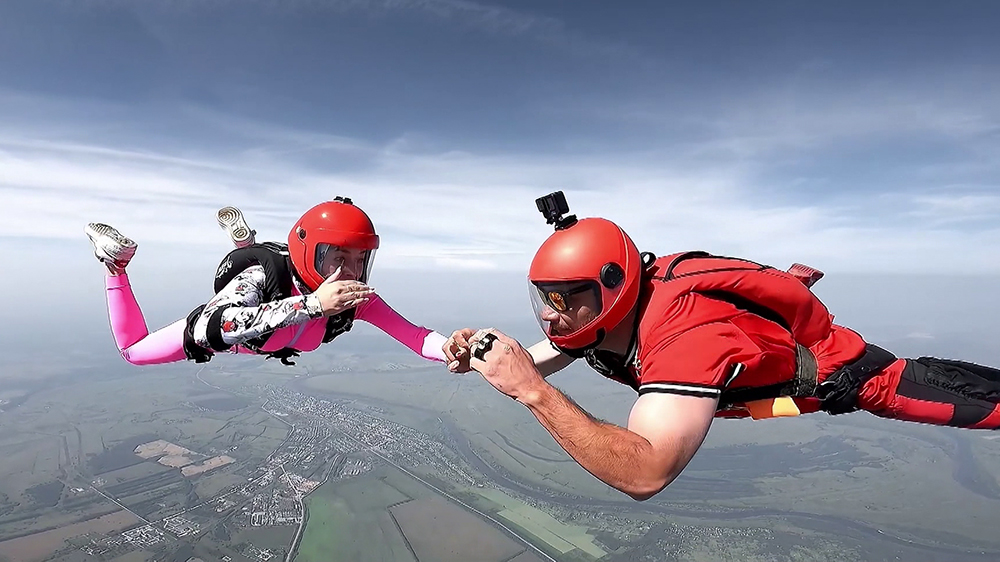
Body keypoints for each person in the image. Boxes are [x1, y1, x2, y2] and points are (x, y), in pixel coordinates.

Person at [443, 191, 1000, 501]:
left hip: (860, 378)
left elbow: (645, 474)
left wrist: (534, 393)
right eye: (544, 298)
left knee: (984, 404)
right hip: (778, 356)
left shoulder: (684, 340)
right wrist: (495, 358)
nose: (549, 315)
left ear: (613, 289)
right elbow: (573, 343)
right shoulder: (614, 309)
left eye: (565, 300)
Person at [86, 198, 448, 366]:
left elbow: (416, 337)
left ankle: (249, 243)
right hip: (250, 309)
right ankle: (116, 266)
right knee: (134, 352)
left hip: (270, 331)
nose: (351, 272)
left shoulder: (355, 299)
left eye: (360, 258)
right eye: (338, 257)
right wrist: (314, 305)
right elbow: (211, 328)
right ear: (312, 254)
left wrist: (453, 349)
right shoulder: (259, 279)